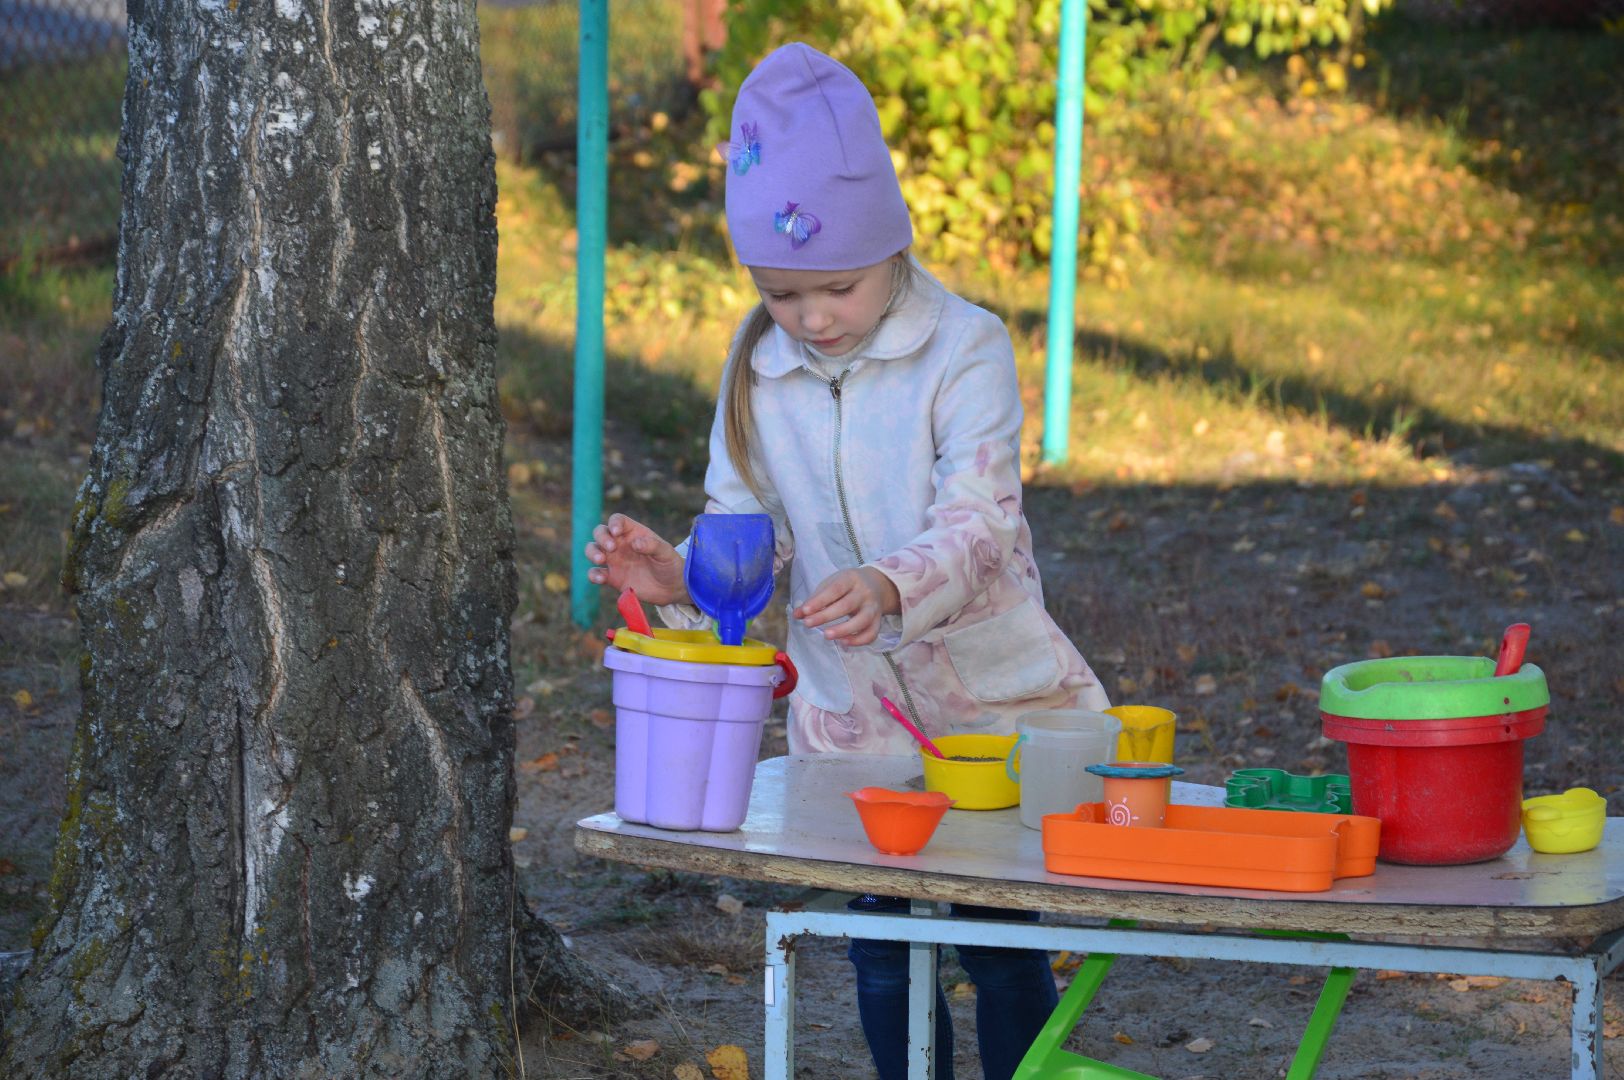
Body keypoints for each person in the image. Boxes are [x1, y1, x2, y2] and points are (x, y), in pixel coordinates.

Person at [584, 41, 1112, 1080]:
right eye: (781, 294)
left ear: (893, 248)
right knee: (881, 947)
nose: (813, 318)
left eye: (838, 286)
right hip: (850, 717)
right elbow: (747, 523)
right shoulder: (757, 364)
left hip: (986, 706)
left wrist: (890, 585)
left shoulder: (964, 347)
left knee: (998, 938)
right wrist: (684, 577)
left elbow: (982, 520)